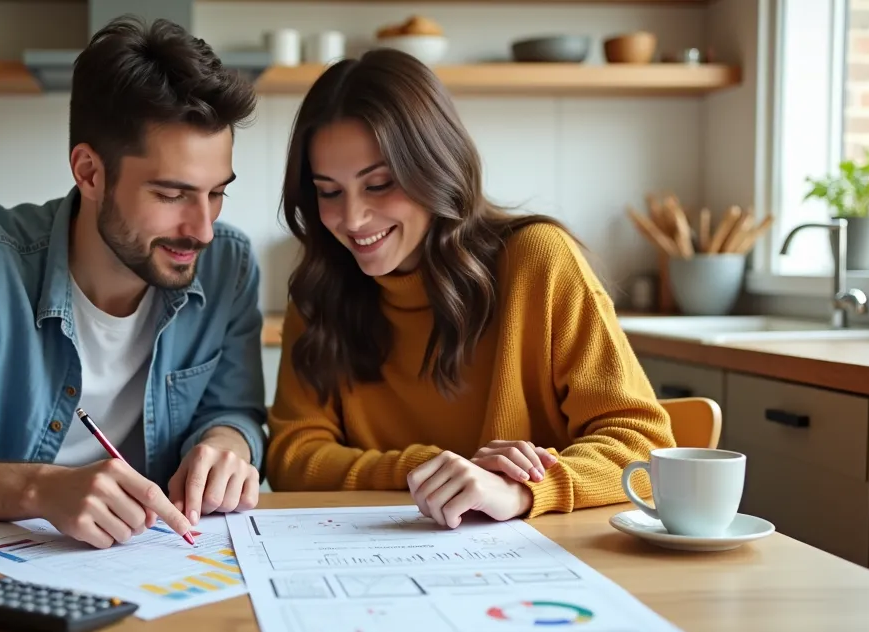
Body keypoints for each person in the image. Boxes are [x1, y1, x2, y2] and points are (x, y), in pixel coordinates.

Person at [0, 16, 267, 549]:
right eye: (171, 195)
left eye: (216, 192)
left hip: (158, 564)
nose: (202, 229)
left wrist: (228, 444)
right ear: (89, 172)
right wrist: (41, 490)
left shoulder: (230, 264)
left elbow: (233, 411)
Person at [265, 48, 675, 528]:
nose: (352, 219)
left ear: (434, 168)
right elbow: (293, 456)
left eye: (379, 184)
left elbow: (643, 447)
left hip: (543, 560)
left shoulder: (537, 261)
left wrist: (520, 489)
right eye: (329, 191)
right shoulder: (320, 289)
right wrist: (430, 470)